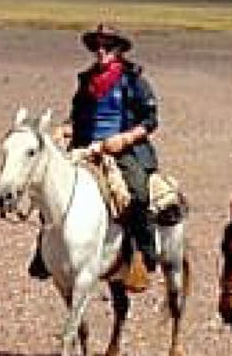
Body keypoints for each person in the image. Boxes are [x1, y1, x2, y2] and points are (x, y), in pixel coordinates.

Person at [30, 23, 163, 288]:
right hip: (86, 148)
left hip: (122, 150)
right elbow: (77, 115)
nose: (102, 51)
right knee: (52, 191)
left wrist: (124, 138)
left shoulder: (133, 81)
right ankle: (45, 254)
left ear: (119, 50)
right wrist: (65, 129)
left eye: (108, 46)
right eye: (98, 47)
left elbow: (150, 120)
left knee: (136, 192)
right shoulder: (87, 81)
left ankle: (141, 254)